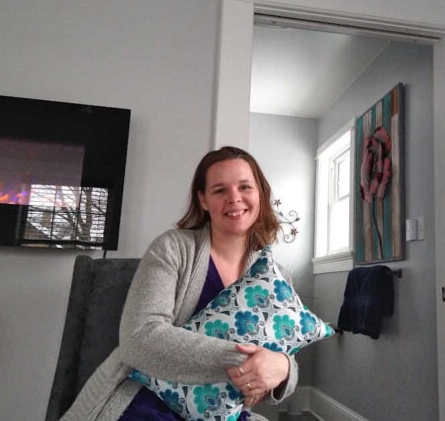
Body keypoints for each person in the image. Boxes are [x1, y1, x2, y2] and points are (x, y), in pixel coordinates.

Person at [63, 146, 297, 420]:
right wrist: (245, 362)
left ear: (260, 194)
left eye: (245, 186)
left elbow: (275, 369)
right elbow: (139, 339)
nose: (234, 198)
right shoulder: (172, 248)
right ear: (203, 200)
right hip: (143, 403)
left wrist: (283, 368)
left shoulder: (277, 275)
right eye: (220, 190)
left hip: (223, 412)